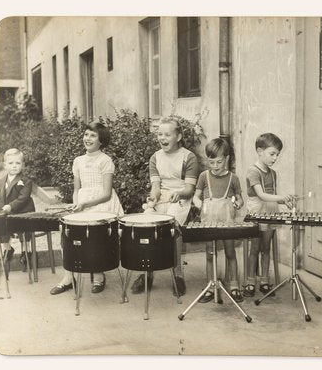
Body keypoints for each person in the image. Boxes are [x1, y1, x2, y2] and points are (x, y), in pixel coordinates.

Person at [50, 121, 124, 295]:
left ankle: (98, 276)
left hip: (102, 205)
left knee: (95, 239)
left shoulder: (105, 160)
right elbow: (77, 189)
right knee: (67, 235)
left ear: (102, 141)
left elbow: (106, 193)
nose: (87, 138)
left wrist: (85, 204)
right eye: (86, 134)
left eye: (93, 135)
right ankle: (69, 278)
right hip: (83, 203)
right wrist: (77, 203)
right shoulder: (78, 161)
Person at [131, 118, 199, 296]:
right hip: (162, 198)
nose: (162, 138)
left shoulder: (189, 157)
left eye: (167, 134)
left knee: (171, 227)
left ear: (178, 136)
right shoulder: (155, 157)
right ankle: (147, 272)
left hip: (181, 199)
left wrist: (179, 194)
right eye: (160, 134)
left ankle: (178, 275)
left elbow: (189, 189)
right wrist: (152, 199)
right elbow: (155, 188)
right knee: (146, 225)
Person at [243, 133, 295, 297]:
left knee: (266, 248)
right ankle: (250, 281)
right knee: (255, 248)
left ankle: (264, 281)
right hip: (257, 213)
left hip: (270, 212)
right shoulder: (253, 171)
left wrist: (284, 202)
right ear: (259, 151)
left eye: (277, 154)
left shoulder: (273, 173)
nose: (275, 158)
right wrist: (281, 197)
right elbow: (262, 195)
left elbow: (272, 197)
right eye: (272, 154)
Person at [192, 138, 244, 303]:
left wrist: (237, 203)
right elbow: (196, 196)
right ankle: (211, 285)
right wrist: (198, 204)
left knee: (230, 252)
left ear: (227, 159)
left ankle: (234, 286)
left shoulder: (233, 178)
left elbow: (240, 200)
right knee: (210, 253)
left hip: (227, 221)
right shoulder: (203, 176)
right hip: (209, 221)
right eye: (211, 162)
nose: (215, 166)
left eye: (219, 162)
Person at [0, 148, 36, 279]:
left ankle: (26, 251)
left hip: (23, 212)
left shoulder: (26, 181)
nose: (14, 166)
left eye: (17, 163)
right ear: (5, 165)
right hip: (7, 214)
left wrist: (10, 206)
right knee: (0, 224)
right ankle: (7, 249)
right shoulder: (2, 180)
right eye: (11, 163)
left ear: (22, 165)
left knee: (24, 230)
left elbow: (22, 199)